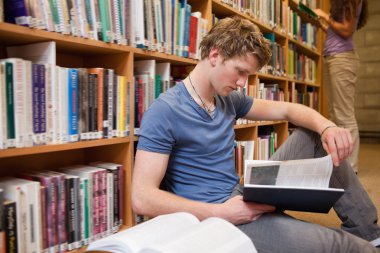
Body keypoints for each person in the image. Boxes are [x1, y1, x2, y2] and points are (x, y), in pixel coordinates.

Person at [131, 16, 379, 252]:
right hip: (217, 217)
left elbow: (288, 109)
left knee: (313, 135)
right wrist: (221, 213)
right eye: (240, 71)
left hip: (241, 194)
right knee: (344, 246)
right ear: (215, 55)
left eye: (248, 75)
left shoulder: (227, 99)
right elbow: (142, 198)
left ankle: (371, 234)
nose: (243, 82)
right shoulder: (165, 110)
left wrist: (328, 126)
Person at [314, 0, 368, 174]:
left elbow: (346, 30)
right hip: (333, 57)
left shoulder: (353, 1)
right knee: (335, 112)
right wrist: (323, 24)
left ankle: (351, 169)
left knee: (344, 115)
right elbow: (338, 31)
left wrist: (327, 17)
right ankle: (341, 163)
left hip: (342, 58)